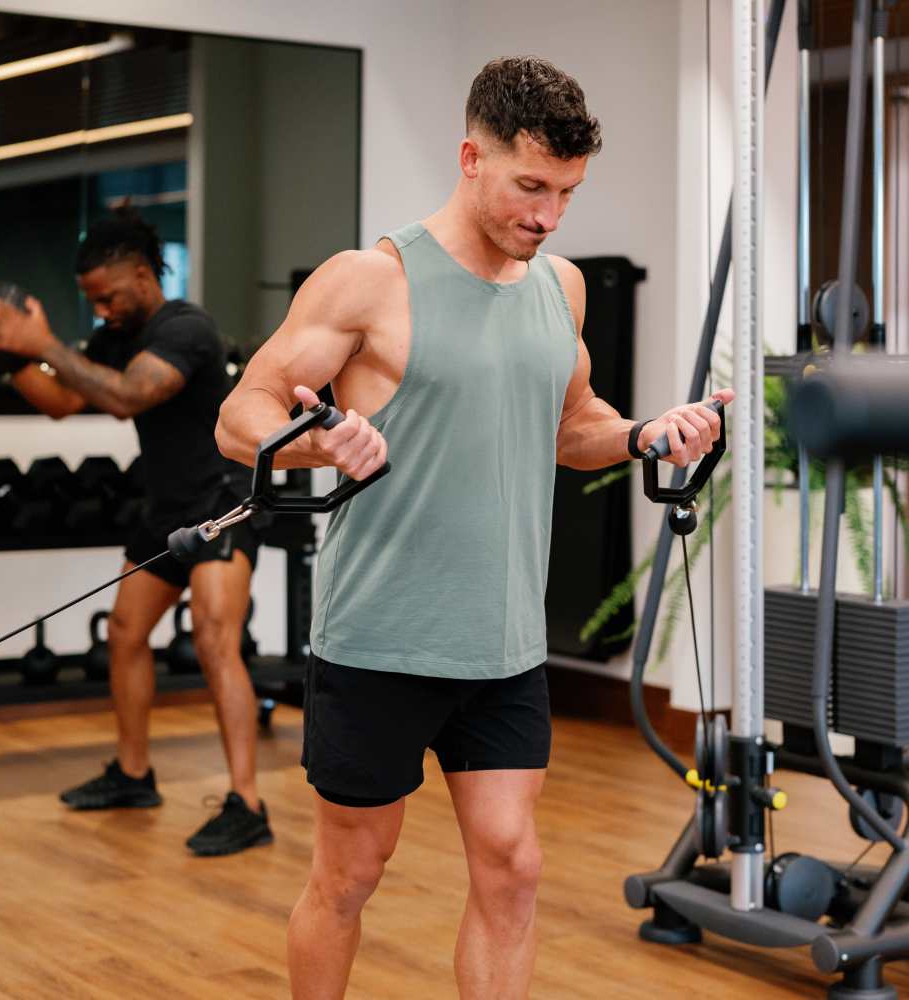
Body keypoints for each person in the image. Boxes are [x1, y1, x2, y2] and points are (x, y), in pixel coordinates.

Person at [216, 56, 733, 997]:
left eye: (567, 193)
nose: (549, 215)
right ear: (470, 158)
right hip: (381, 640)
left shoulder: (560, 287)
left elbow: (571, 425)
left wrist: (644, 434)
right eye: (531, 187)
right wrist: (323, 445)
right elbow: (240, 417)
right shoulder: (370, 280)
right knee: (349, 876)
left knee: (513, 866)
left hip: (502, 645)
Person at [0, 208, 272, 858]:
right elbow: (64, 402)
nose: (102, 310)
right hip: (166, 510)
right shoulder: (118, 335)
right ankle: (134, 776)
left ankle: (248, 802)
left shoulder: (186, 328)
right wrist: (4, 356)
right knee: (125, 633)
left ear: (142, 275)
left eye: (108, 296)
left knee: (214, 640)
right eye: (92, 301)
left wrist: (42, 343)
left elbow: (127, 397)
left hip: (221, 503)